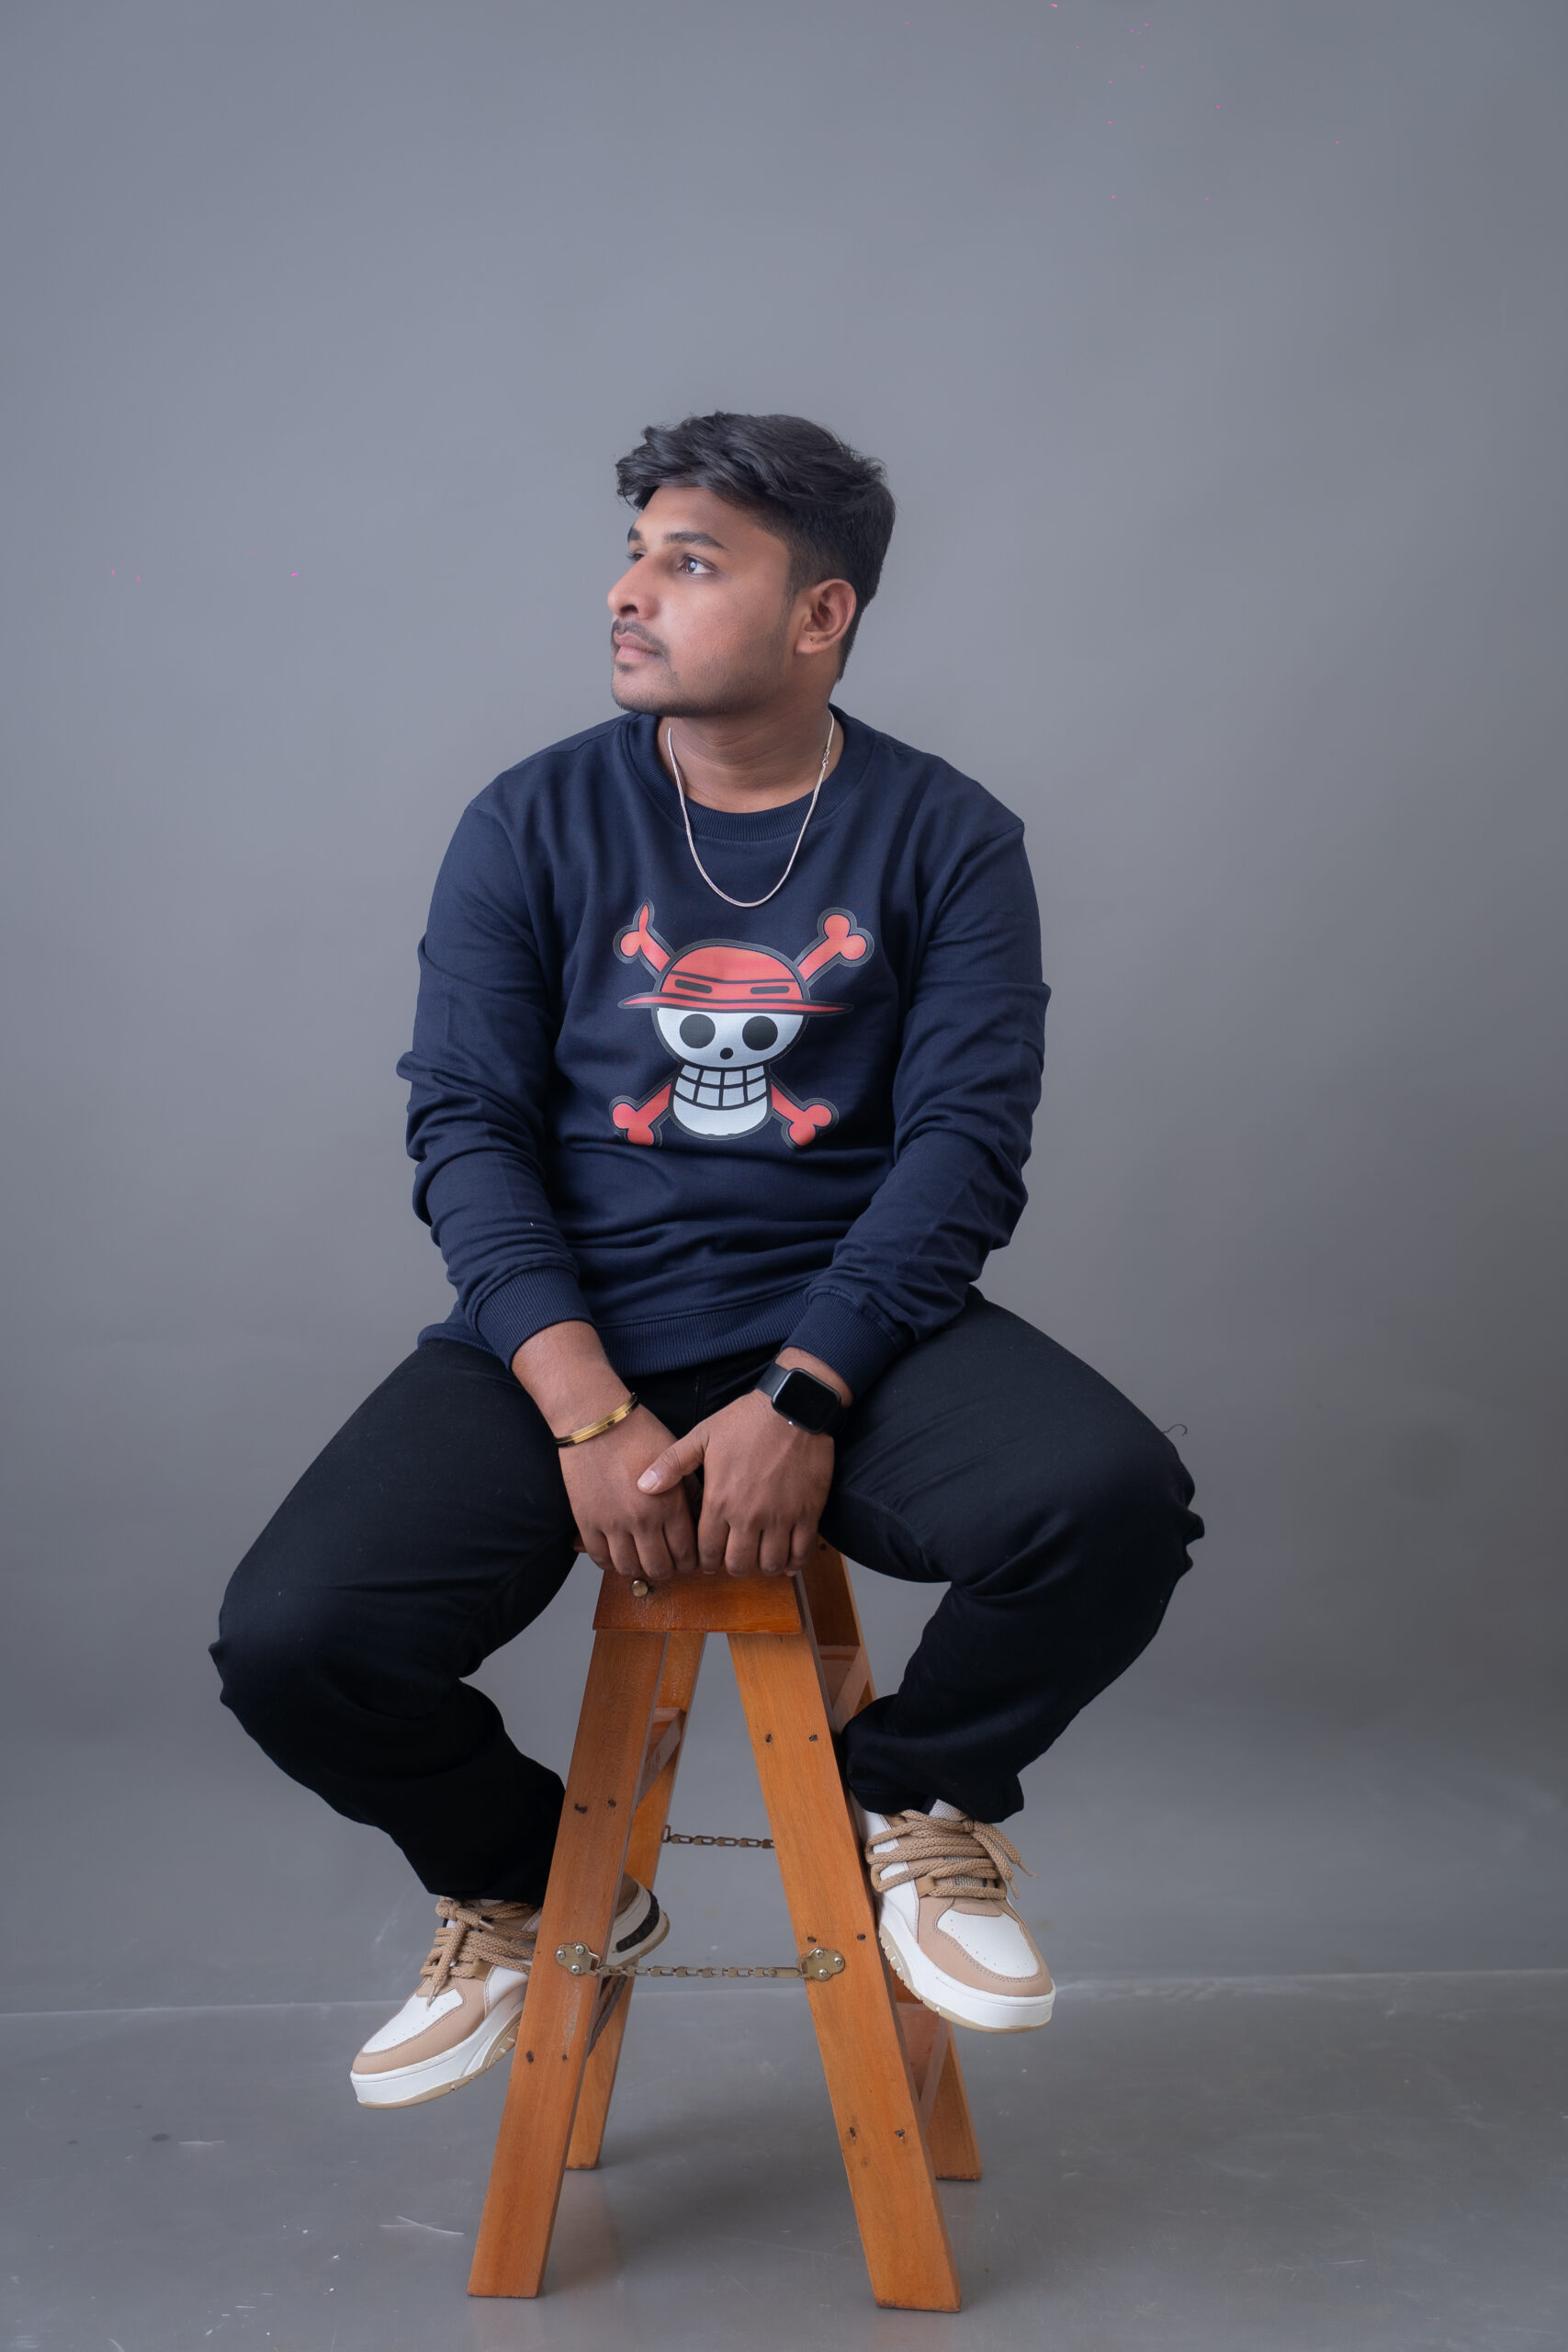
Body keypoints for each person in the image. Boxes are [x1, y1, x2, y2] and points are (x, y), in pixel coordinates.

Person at [212, 412, 1201, 2109]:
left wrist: (806, 1390)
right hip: (571, 1330)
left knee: (1111, 1505)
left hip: (851, 1322)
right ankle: (538, 1882)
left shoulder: (949, 836)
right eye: (634, 557)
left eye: (688, 564)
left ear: (820, 614)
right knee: (294, 1642)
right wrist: (582, 1404)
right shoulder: (529, 821)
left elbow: (965, 1149)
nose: (628, 594)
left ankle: (914, 1801)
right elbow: (465, 1128)